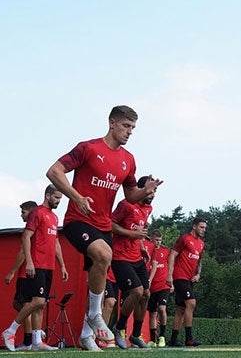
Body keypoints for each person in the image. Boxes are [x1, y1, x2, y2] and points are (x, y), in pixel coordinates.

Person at [46, 105, 163, 351]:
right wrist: (76, 196)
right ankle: (94, 315)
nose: (130, 132)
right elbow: (54, 171)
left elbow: (130, 195)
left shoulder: (128, 160)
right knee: (104, 254)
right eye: (126, 126)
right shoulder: (88, 148)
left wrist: (146, 190)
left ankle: (87, 336)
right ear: (112, 123)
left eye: (133, 128)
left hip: (103, 228)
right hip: (78, 220)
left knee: (98, 275)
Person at [2, 185, 68, 351]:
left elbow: (56, 242)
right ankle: (10, 331)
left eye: (60, 199)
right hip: (37, 264)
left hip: (48, 266)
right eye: (57, 198)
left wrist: (62, 266)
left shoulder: (54, 218)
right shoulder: (37, 212)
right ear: (48, 196)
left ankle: (37, 342)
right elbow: (26, 236)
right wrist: (29, 262)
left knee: (41, 304)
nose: (59, 201)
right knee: (36, 301)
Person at [110, 175, 157, 349]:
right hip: (120, 256)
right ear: (140, 189)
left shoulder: (148, 208)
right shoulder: (126, 204)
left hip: (136, 256)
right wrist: (133, 235)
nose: (152, 193)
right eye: (150, 189)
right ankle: (119, 327)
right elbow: (110, 225)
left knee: (146, 294)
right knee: (136, 291)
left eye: (155, 190)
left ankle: (136, 335)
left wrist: (141, 245)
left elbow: (138, 231)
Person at [166, 217, 206, 347]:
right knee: (191, 303)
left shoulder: (201, 244)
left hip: (189, 279)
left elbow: (199, 261)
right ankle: (189, 338)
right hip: (179, 276)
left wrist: (198, 274)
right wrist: (169, 275)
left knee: (181, 309)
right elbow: (172, 254)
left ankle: (173, 339)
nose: (203, 230)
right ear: (194, 226)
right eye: (201, 227)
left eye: (205, 228)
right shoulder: (184, 238)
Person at [4, 201, 37, 350]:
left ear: (30, 212)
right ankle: (32, 338)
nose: (21, 215)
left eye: (23, 212)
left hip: (26, 273)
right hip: (31, 273)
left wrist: (11, 272)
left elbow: (23, 253)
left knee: (26, 306)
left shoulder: (30, 229)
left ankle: (29, 341)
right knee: (19, 305)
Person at [146, 230, 172, 348]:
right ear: (151, 239)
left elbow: (172, 266)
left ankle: (162, 336)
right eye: (156, 240)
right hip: (152, 287)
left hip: (164, 285)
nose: (158, 243)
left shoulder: (166, 251)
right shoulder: (147, 251)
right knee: (152, 313)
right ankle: (152, 339)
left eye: (160, 240)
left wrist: (172, 282)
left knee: (162, 308)